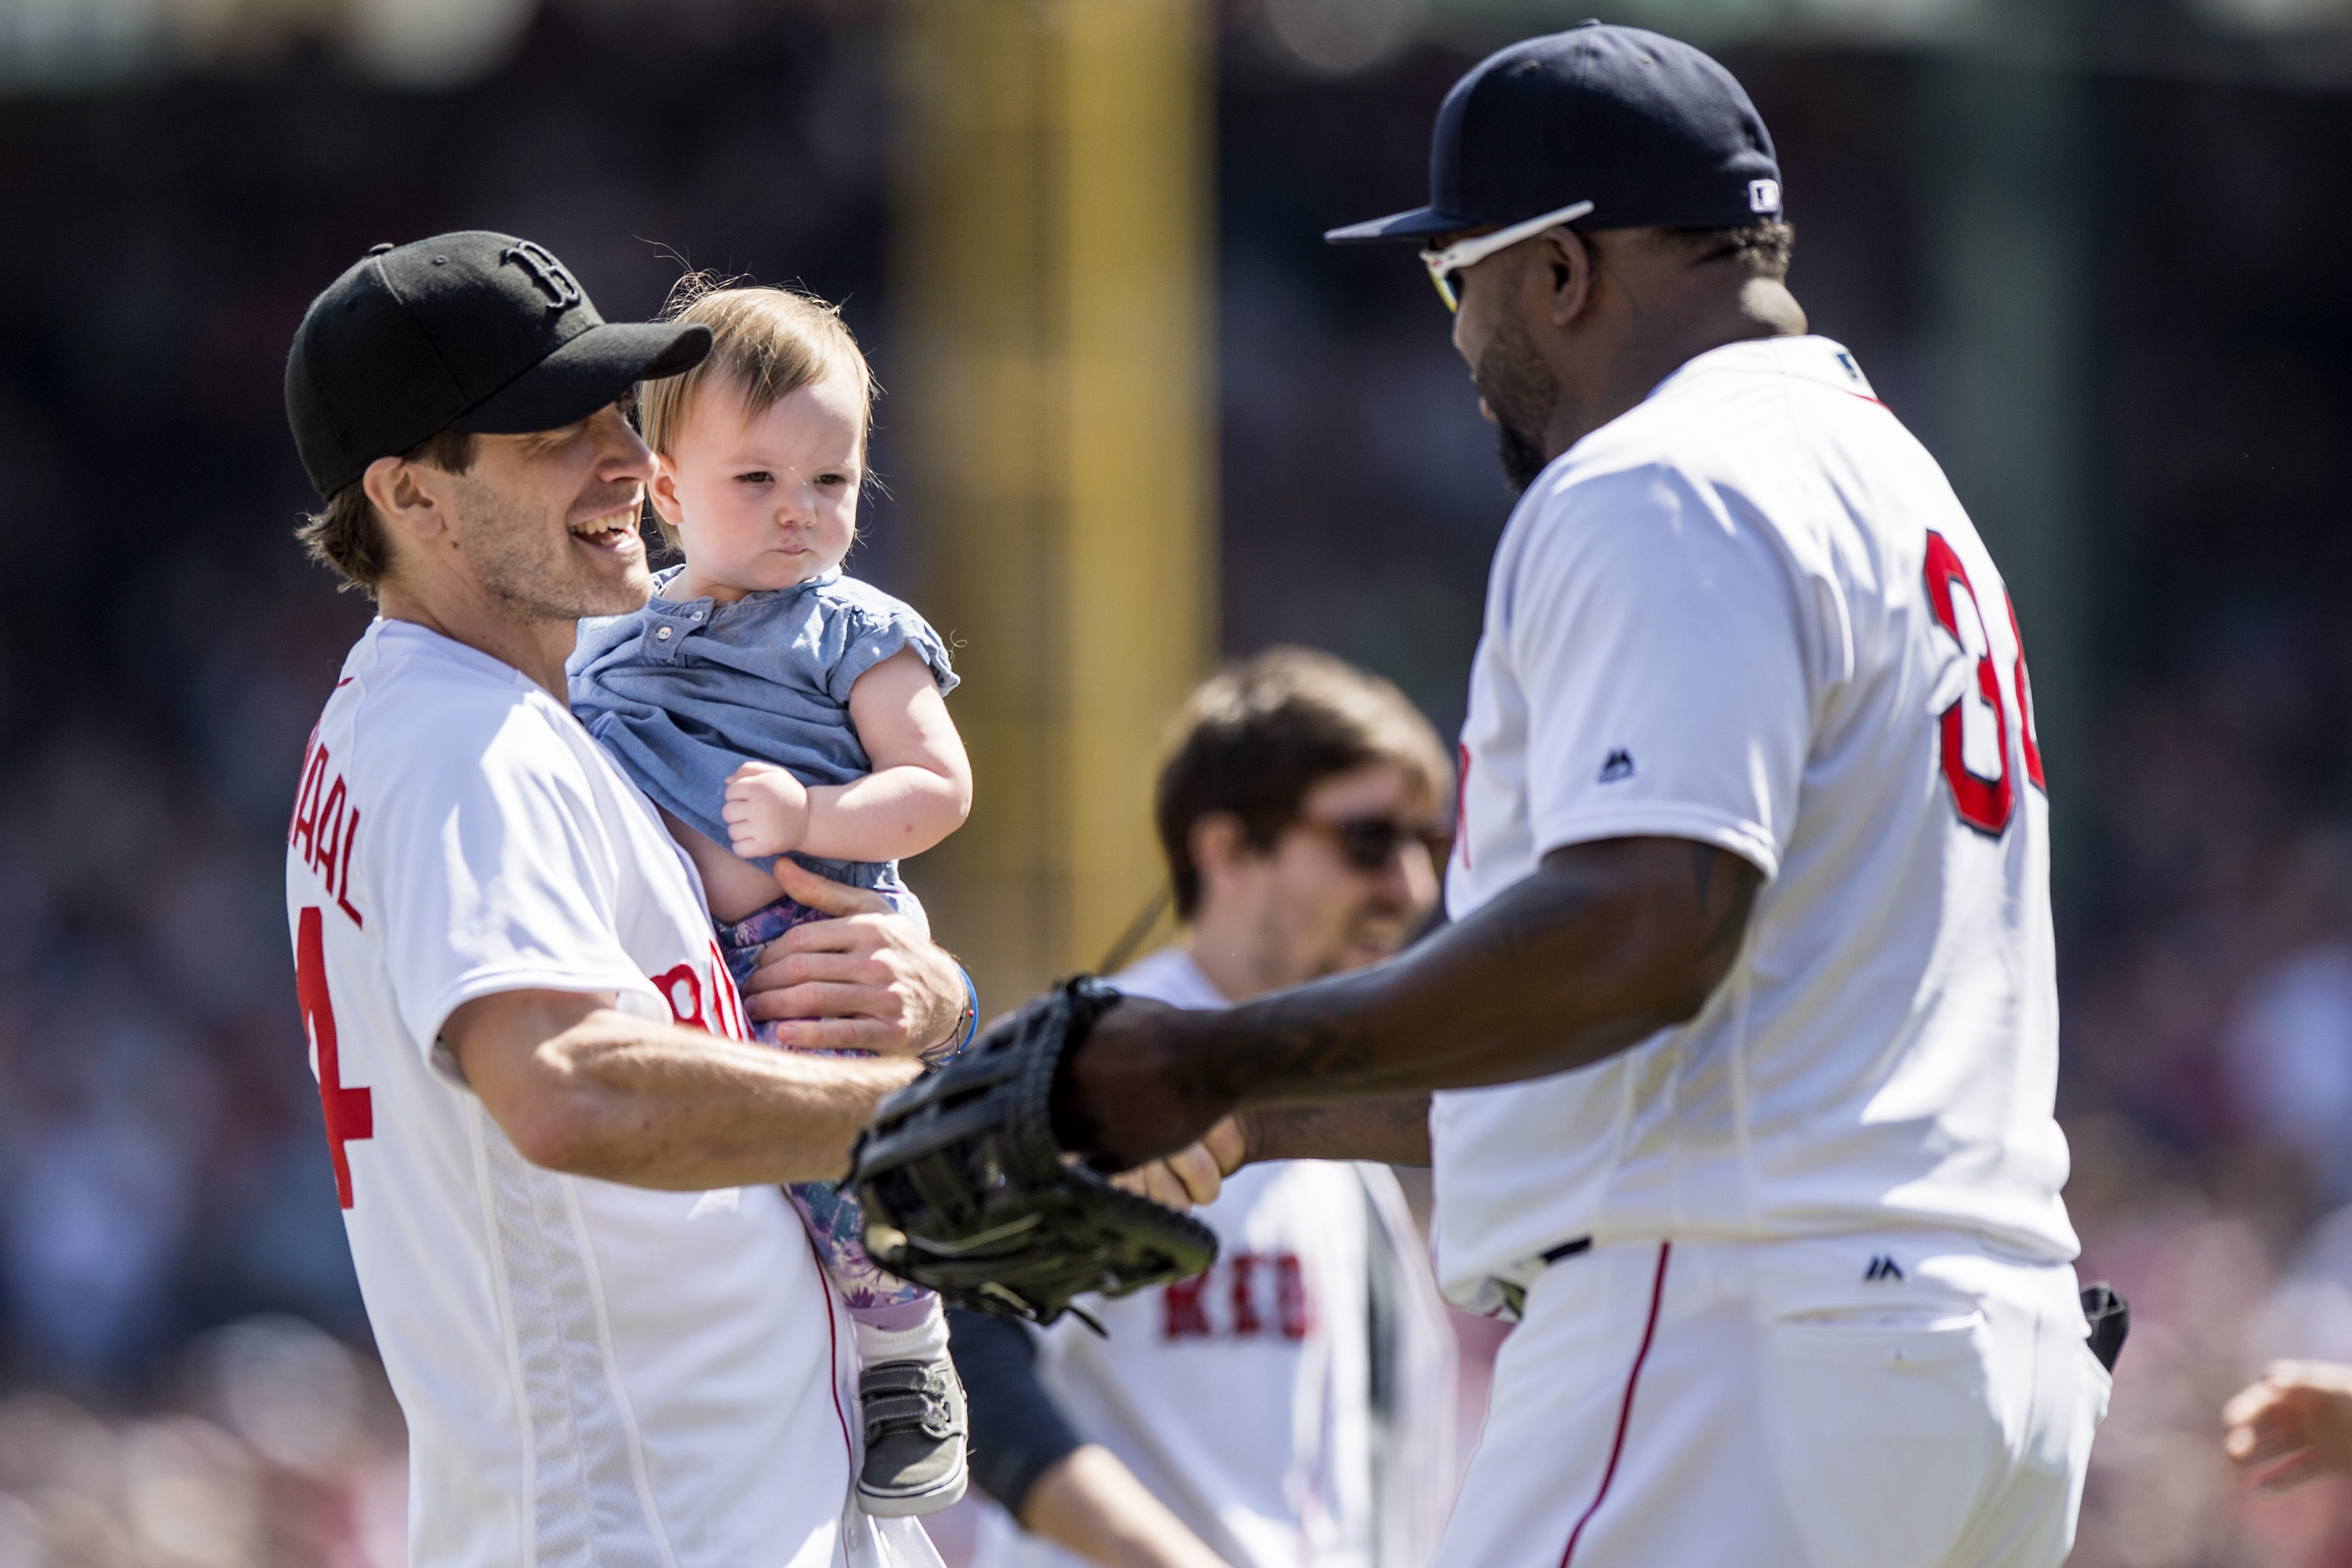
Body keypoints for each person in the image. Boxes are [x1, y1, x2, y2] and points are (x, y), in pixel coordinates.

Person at [1043, 25, 2110, 1567]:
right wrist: (1255, 1113)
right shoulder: (1901, 485)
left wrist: (1209, 1051)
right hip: (1973, 1347)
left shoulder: (1658, 477)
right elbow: (1675, 1025)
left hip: (1741, 1336)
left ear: (1559, 274)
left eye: (1457, 280)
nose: (1462, 340)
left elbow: (1639, 937)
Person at [281, 230, 970, 1568]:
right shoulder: (457, 749)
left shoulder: (531, 712)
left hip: (695, 1502)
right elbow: (570, 1087)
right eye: (554, 430)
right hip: (643, 1525)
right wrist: (931, 1116)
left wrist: (921, 1001)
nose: (624, 460)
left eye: (616, 408)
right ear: (413, 496)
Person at [568, 278, 975, 1516]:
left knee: (841, 1165)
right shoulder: (607, 633)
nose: (801, 514)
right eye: (758, 481)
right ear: (666, 489)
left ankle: (906, 1350)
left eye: (833, 482)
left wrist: (812, 816)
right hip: (680, 967)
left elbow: (936, 787)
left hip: (810, 941)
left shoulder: (850, 628)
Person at [951, 648, 1459, 1568]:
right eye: (1370, 841)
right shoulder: (1096, 1076)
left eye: (1429, 847)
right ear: (1227, 849)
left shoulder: (1332, 1110)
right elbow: (962, 1357)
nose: (1411, 891)